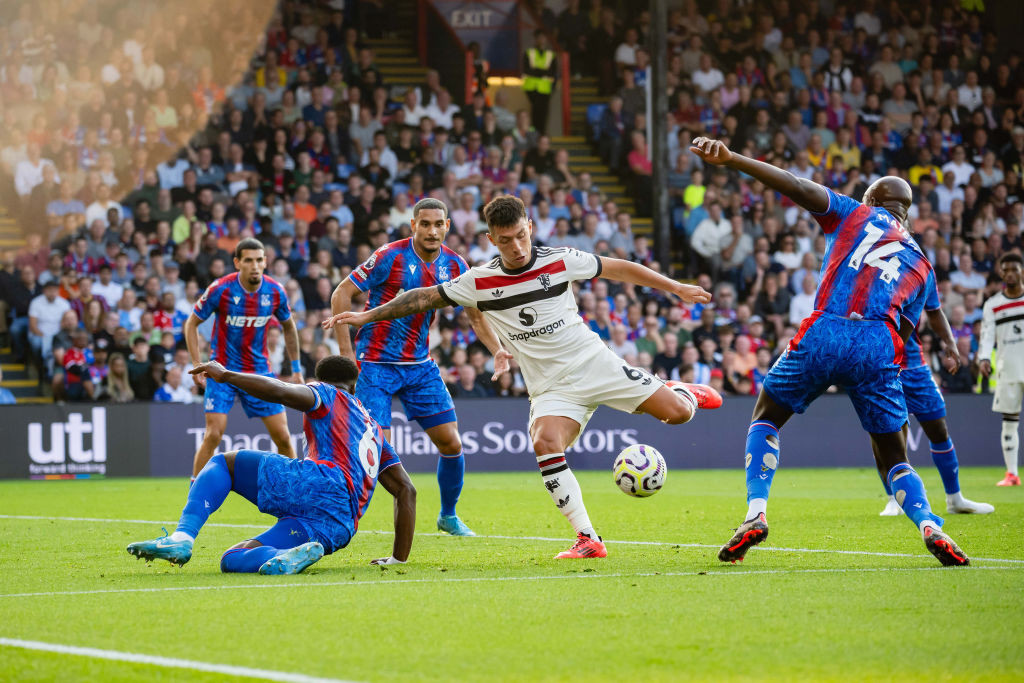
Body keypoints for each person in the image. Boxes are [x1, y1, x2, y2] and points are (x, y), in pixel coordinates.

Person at [324, 195, 721, 559]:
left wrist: (674, 287)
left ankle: (682, 391)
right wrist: (367, 315)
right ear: (491, 239)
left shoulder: (560, 259)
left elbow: (618, 268)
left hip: (593, 363)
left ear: (529, 227)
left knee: (678, 414)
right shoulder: (478, 280)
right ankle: (588, 538)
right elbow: (422, 297)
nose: (515, 247)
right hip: (550, 387)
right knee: (545, 441)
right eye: (505, 240)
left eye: (520, 236)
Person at [688, 136, 969, 567]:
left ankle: (755, 514)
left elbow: (795, 185)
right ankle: (930, 525)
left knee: (765, 417)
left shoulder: (855, 212)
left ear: (872, 198)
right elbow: (907, 331)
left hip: (826, 328)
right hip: (877, 344)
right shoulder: (923, 264)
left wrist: (734, 159)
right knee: (893, 455)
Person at [126, 356, 416, 574]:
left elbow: (280, 391)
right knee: (233, 558)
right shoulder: (375, 430)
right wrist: (398, 559)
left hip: (320, 485)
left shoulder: (327, 393)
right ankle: (283, 556)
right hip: (339, 525)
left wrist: (226, 375)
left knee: (224, 464)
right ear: (355, 385)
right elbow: (406, 491)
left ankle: (182, 537)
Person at [328, 199, 505, 536]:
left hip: (420, 367)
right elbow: (342, 294)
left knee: (452, 443)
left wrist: (497, 349)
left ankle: (448, 516)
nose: (432, 231)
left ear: (448, 227)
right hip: (376, 366)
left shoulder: (455, 265)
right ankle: (344, 517)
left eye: (438, 224)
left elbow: (475, 316)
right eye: (425, 224)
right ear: (413, 225)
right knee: (378, 449)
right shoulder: (388, 256)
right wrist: (346, 355)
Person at [182, 238, 302, 479]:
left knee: (284, 438)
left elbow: (289, 327)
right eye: (248, 260)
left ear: (266, 262)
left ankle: (293, 491)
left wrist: (297, 368)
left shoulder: (275, 291)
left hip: (259, 372)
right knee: (214, 434)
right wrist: (197, 362)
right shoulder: (221, 289)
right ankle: (194, 495)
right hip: (221, 371)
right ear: (237, 262)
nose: (255, 266)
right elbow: (191, 323)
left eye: (259, 260)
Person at [874, 274, 993, 515]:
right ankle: (893, 498)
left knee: (938, 430)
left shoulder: (917, 271)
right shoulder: (869, 270)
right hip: (882, 366)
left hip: (915, 367)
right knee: (886, 435)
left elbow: (935, 310)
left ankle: (955, 498)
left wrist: (949, 341)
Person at [978, 253, 1024, 487]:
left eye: (1014, 269)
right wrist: (984, 358)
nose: (1010, 274)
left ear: (1022, 271)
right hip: (1008, 367)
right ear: (1001, 273)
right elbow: (986, 336)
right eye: (1005, 270)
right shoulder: (993, 304)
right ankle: (1012, 473)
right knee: (1009, 420)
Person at [522, 30, 556, 133]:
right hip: (531, 89)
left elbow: (552, 73)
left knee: (544, 114)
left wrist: (536, 70)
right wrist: (543, 72)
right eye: (539, 37)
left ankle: (542, 135)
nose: (541, 40)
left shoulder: (551, 54)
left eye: (543, 37)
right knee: (534, 114)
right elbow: (527, 70)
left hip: (545, 90)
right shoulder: (529, 53)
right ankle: (534, 134)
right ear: (535, 39)